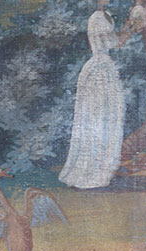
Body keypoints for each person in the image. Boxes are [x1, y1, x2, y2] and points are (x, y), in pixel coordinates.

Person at [60, 0, 133, 189]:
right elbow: (115, 43)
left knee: (107, 116)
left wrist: (127, 25)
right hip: (99, 71)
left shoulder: (105, 15)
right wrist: (132, 27)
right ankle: (92, 172)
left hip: (104, 68)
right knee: (97, 117)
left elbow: (115, 40)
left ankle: (102, 168)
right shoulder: (97, 17)